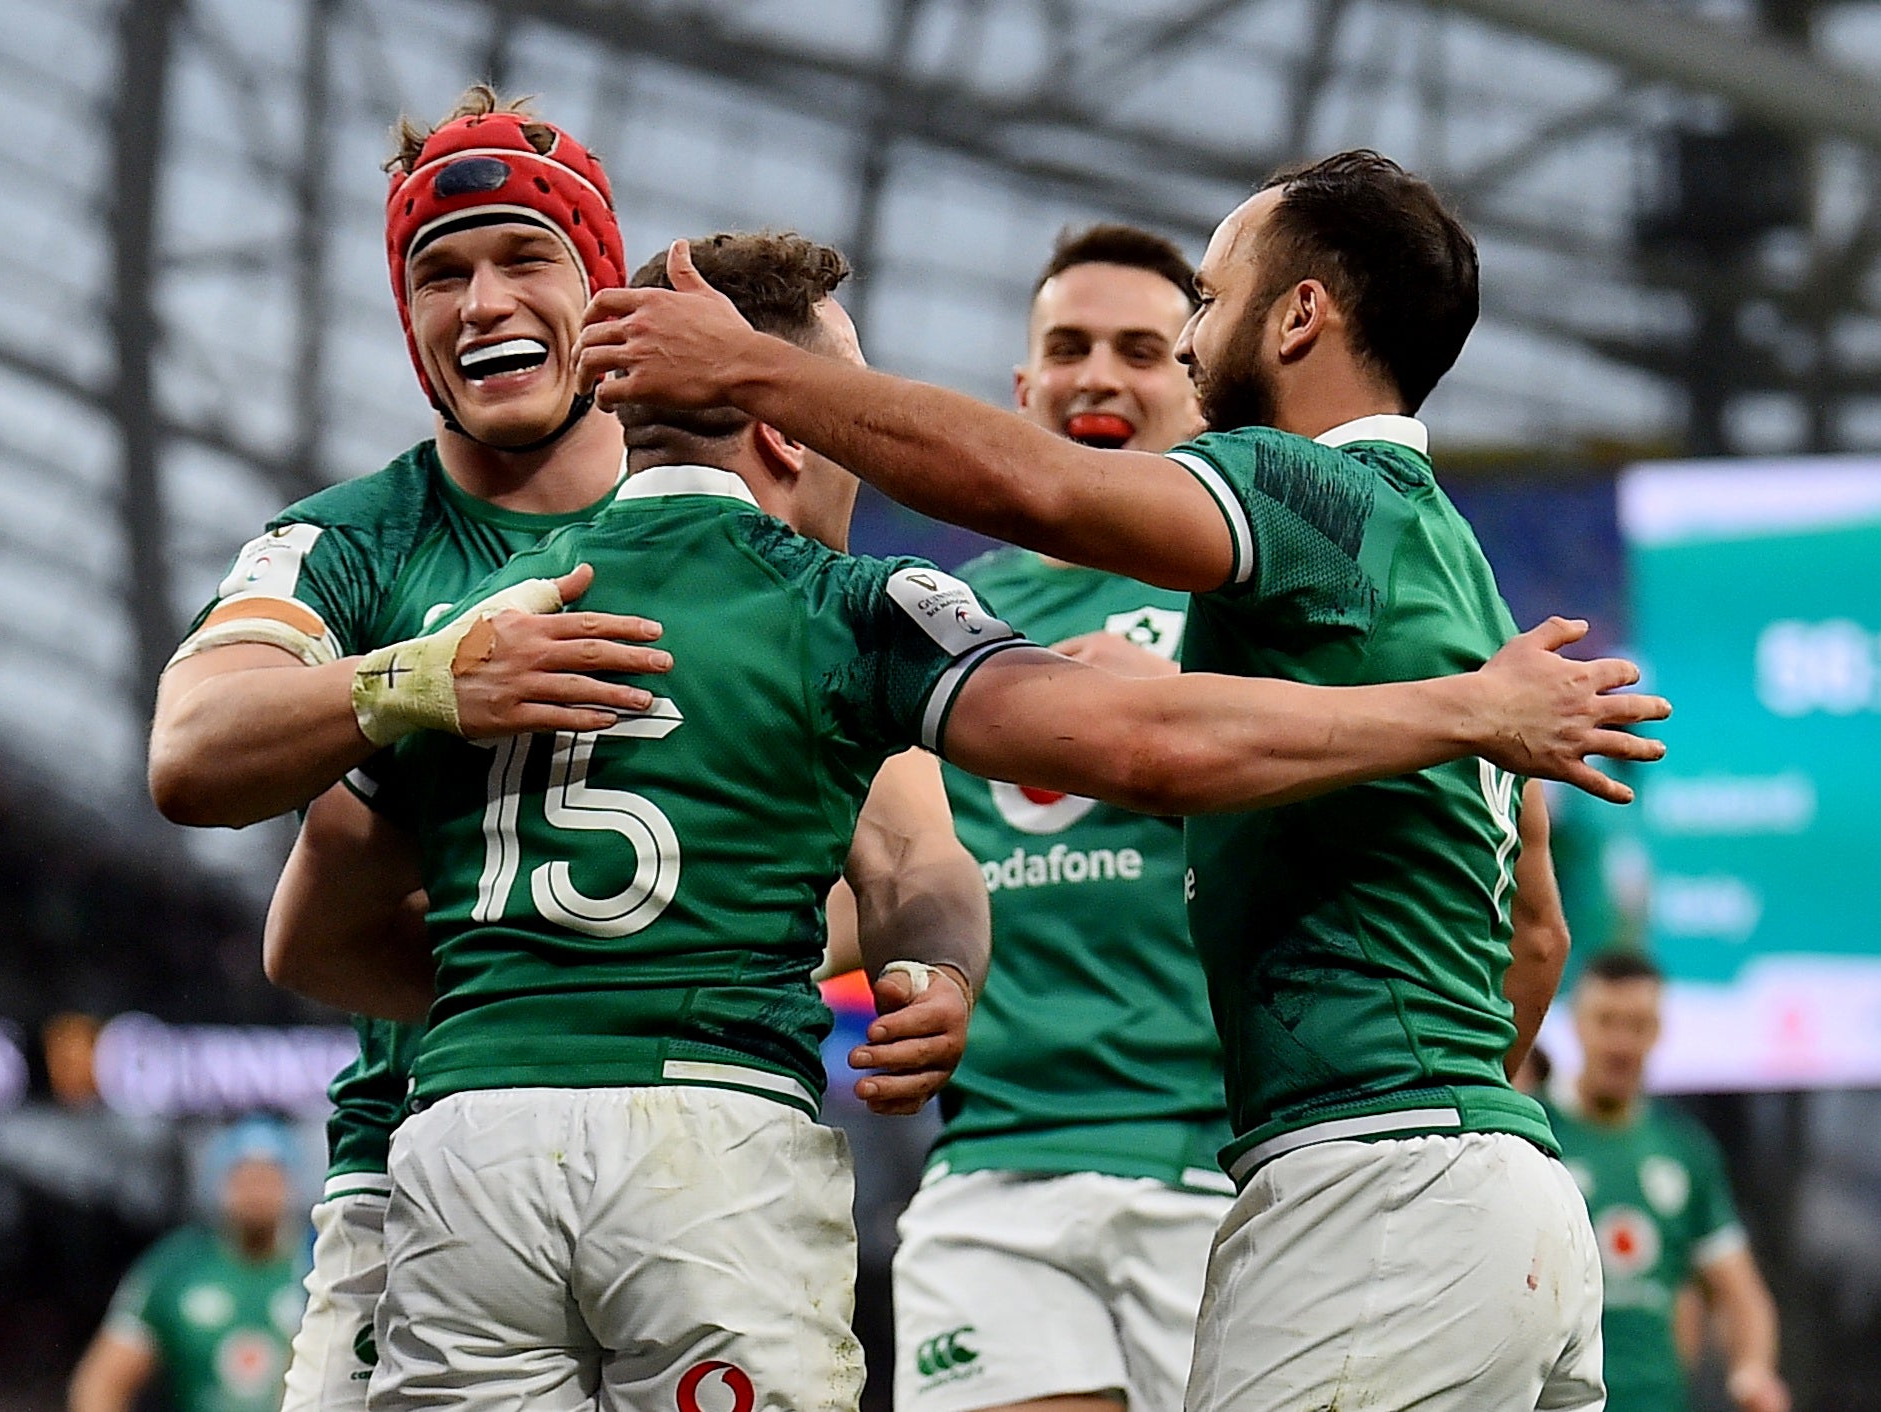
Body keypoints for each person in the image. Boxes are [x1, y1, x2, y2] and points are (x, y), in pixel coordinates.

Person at [273, 226, 1662, 1412]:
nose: (1142, 364)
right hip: (887, 1157)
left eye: (1166, 333)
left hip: (473, 1149)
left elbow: (306, 917)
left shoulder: (474, 623)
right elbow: (1119, 747)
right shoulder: (874, 611)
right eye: (1072, 347)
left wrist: (549, 994)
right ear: (785, 422)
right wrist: (1464, 717)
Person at [147, 88, 980, 1412]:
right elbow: (193, 754)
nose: (480, 300)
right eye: (440, 272)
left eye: (522, 257)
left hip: (697, 1149)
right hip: (417, 1170)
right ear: (405, 317)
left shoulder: (755, 533)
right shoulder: (352, 547)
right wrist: (424, 679)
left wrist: (629, 962)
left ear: (603, 294)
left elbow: (899, 844)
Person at [892, 224, 1228, 1412]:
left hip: (1224, 1173)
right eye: (1067, 347)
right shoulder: (934, 617)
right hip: (994, 1168)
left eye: (1141, 349)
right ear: (1022, 389)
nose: (1098, 374)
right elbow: (874, 879)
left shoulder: (1261, 601)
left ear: (1199, 378)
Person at [1547, 952, 1790, 1412]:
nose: (1621, 1042)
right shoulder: (1537, 1134)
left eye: (1637, 1025)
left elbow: (1741, 1296)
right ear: (1576, 1024)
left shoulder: (1686, 1152)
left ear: (1658, 1032)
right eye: (1607, 1021)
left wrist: (1752, 1372)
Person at [69, 1118, 306, 1412]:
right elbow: (100, 1383)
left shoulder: (318, 1265)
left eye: (268, 1178)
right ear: (222, 1184)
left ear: (290, 1185)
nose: (256, 1192)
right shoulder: (176, 1268)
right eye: (245, 1178)